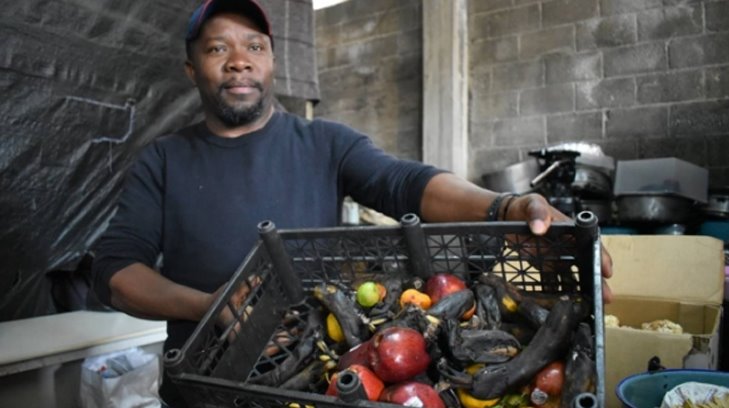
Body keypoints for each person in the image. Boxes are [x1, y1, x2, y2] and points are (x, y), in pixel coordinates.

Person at [91, 0, 613, 406]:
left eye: (254, 46)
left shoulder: (326, 144)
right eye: (216, 49)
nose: (238, 62)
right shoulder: (162, 160)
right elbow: (115, 270)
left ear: (272, 60)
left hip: (316, 380)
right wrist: (208, 307)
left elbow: (405, 183)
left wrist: (504, 208)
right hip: (204, 383)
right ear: (191, 69)